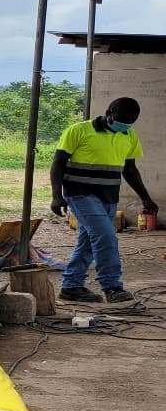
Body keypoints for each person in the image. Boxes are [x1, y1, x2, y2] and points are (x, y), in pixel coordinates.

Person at [50, 96, 158, 304]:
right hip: (80, 193)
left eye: (129, 122)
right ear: (109, 113)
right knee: (106, 237)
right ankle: (112, 287)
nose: (124, 125)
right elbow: (58, 163)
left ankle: (71, 286)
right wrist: (56, 196)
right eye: (122, 120)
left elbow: (130, 169)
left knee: (88, 241)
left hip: (108, 196)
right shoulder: (78, 130)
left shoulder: (129, 135)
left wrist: (146, 198)